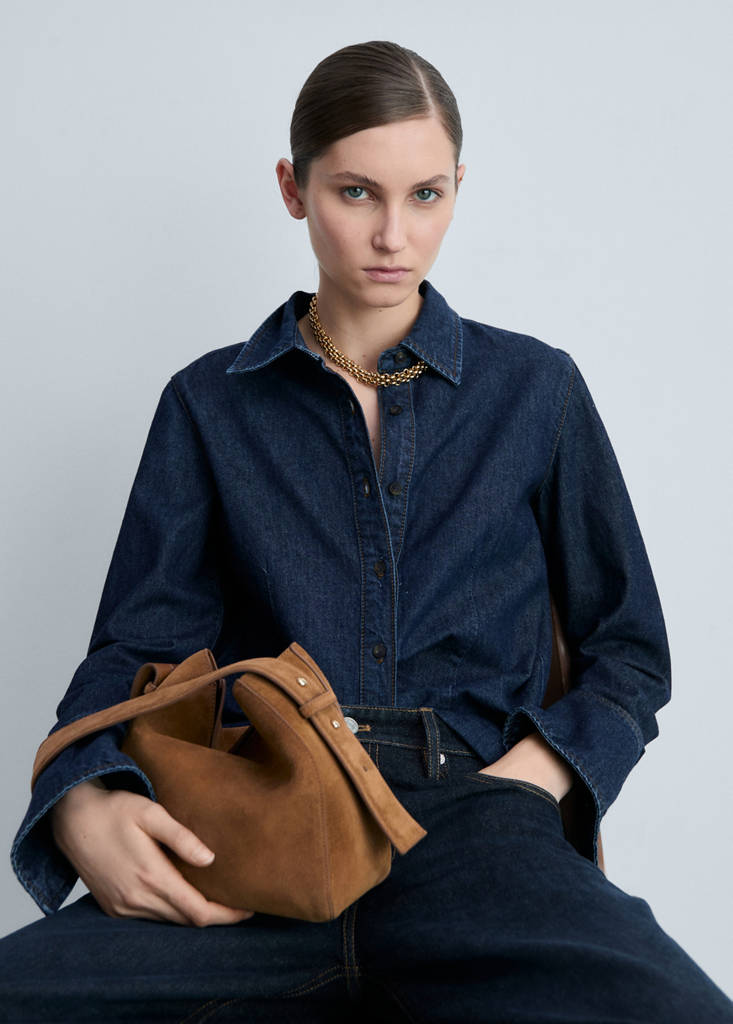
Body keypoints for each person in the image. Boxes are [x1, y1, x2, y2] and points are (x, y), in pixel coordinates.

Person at [1, 38, 731, 1024]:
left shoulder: (536, 391)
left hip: (481, 827)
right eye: (356, 193)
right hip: (261, 831)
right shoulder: (208, 404)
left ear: (458, 189)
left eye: (424, 195)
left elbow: (629, 652)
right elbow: (137, 647)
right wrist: (81, 792)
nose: (393, 235)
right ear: (292, 189)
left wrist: (529, 782)